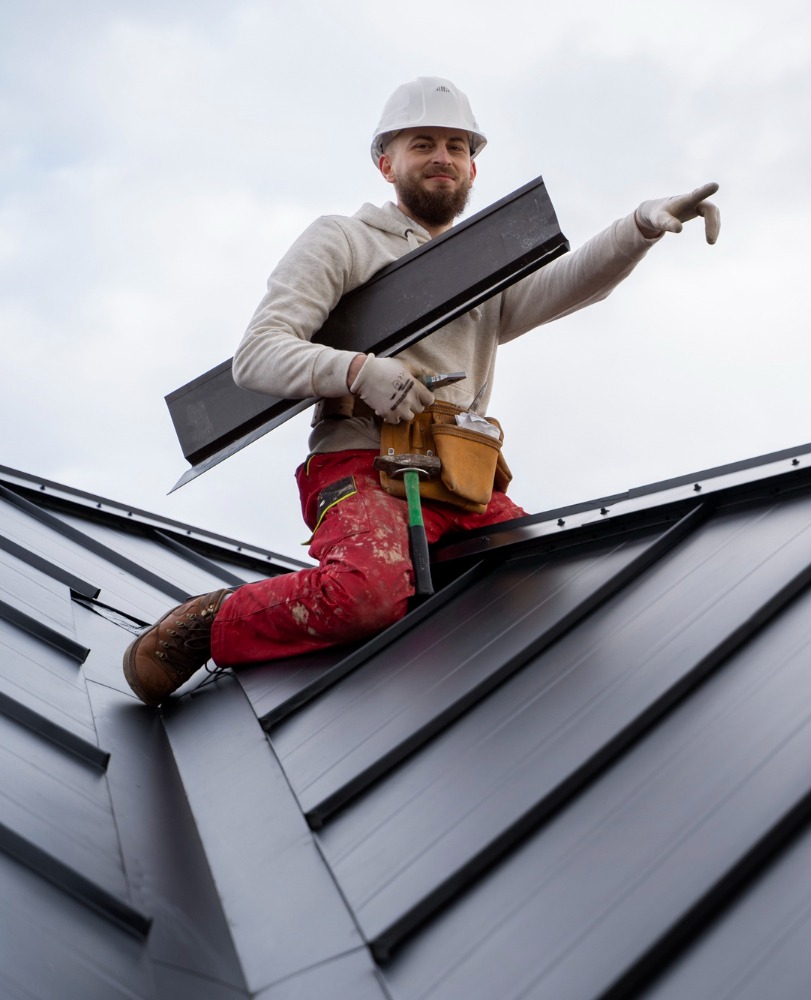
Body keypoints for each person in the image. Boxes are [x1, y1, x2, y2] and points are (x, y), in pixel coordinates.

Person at [123, 76, 720, 706]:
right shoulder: (343, 240)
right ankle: (211, 622)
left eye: (458, 147)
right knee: (365, 594)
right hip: (363, 467)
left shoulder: (481, 264)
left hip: (460, 478)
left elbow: (570, 283)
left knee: (543, 582)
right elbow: (258, 354)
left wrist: (641, 227)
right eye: (423, 144)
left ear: (472, 169)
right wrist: (359, 373)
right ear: (386, 163)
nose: (443, 157)